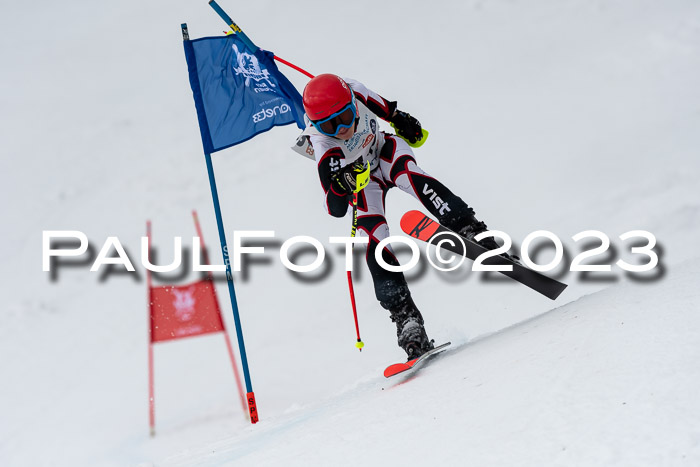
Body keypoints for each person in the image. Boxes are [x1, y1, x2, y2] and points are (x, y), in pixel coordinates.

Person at [299, 74, 500, 361]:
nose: (341, 129)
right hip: (364, 182)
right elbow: (335, 208)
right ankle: (406, 319)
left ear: (352, 104)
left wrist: (402, 121)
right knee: (373, 238)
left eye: (345, 117)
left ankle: (470, 229)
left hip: (384, 152)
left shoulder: (356, 91)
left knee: (412, 176)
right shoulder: (324, 146)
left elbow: (389, 111)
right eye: (330, 125)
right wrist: (340, 185)